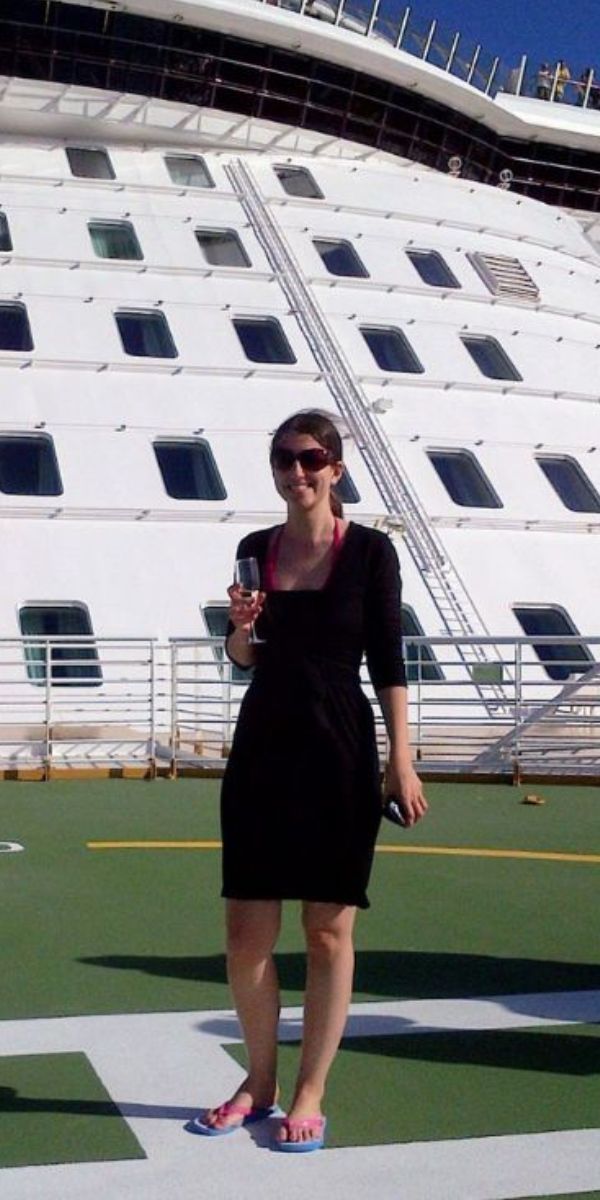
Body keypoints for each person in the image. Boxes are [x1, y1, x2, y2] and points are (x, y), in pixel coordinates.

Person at [190, 409, 427, 1151]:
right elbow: (245, 656)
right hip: (264, 745)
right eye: (284, 461)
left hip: (340, 747)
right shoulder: (255, 548)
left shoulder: (371, 553)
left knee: (327, 933)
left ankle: (310, 1090)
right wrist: (239, 625)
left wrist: (402, 756)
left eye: (311, 459)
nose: (298, 473)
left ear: (337, 465)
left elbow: (389, 660)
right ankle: (258, 1081)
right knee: (244, 933)